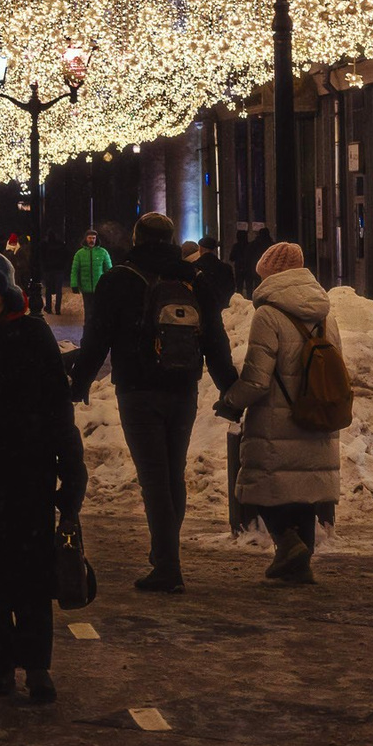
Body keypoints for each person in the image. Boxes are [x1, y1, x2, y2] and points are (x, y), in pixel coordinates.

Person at [0, 249, 86, 703]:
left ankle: (38, 666)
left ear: (5, 294)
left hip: (30, 465)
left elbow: (56, 407)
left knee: (30, 571)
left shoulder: (33, 336)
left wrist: (72, 470)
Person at [69, 210, 237, 593]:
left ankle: (167, 563)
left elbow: (97, 339)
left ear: (136, 238)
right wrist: (229, 385)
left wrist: (80, 382)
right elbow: (215, 338)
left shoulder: (119, 279)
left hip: (137, 388)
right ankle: (165, 552)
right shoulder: (194, 279)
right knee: (172, 472)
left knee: (153, 478)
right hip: (183, 387)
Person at [214, 240, 342, 585]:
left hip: (277, 419)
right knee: (304, 491)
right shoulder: (325, 314)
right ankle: (300, 563)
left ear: (271, 274)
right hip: (317, 413)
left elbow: (256, 380)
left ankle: (287, 544)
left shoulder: (268, 315)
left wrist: (230, 401)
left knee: (257, 487)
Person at [68, 227, 112, 315]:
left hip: (99, 288)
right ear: (86, 239)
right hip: (86, 288)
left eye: (93, 238)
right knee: (88, 312)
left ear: (96, 239)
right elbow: (75, 270)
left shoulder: (103, 252)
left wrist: (109, 284)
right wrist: (74, 284)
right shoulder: (79, 254)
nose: (92, 240)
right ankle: (88, 327)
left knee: (98, 312)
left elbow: (109, 270)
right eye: (89, 238)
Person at [188, 235, 237, 309]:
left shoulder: (194, 266)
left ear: (200, 249)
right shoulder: (226, 268)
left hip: (201, 307)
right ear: (214, 250)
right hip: (220, 306)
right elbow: (231, 288)